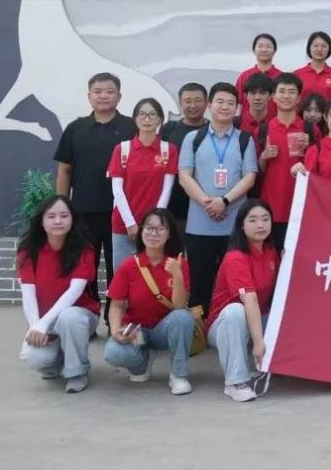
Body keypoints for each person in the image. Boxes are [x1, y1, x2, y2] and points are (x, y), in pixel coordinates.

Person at [54, 72, 137, 325]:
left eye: (109, 92)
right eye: (98, 91)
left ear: (119, 96)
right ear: (89, 96)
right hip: (83, 212)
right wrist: (62, 207)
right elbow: (64, 170)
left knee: (119, 270)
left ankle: (115, 320)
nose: (103, 96)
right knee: (84, 268)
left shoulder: (131, 127)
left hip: (120, 214)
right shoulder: (75, 128)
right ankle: (85, 317)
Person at [177, 83, 260, 318]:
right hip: (199, 225)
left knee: (234, 284)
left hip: (234, 227)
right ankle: (199, 330)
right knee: (199, 283)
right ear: (209, 105)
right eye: (220, 102)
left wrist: (224, 201)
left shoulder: (244, 139)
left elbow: (250, 177)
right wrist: (207, 202)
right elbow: (184, 176)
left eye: (231, 103)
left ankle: (230, 327)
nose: (225, 107)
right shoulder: (193, 138)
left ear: (237, 108)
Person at [102, 208, 196, 395]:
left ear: (169, 234)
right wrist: (116, 331)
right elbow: (116, 305)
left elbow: (179, 305)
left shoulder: (178, 263)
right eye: (149, 228)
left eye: (160, 229)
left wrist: (177, 274)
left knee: (183, 317)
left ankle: (178, 375)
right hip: (136, 331)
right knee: (112, 352)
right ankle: (141, 364)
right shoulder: (129, 265)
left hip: (164, 330)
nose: (154, 233)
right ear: (141, 231)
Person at [16, 195, 100, 394]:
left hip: (80, 316)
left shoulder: (84, 249)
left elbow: (74, 292)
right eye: (51, 216)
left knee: (69, 317)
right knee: (34, 357)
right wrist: (36, 326)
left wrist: (44, 324)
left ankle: (76, 372)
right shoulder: (28, 250)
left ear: (72, 219)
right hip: (45, 319)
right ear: (41, 221)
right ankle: (57, 362)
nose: (58, 221)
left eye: (64, 215)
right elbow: (28, 294)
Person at [207, 199, 281, 403]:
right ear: (242, 225)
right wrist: (258, 342)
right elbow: (250, 299)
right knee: (235, 311)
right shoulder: (236, 257)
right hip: (225, 325)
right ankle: (235, 381)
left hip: (256, 318)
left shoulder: (271, 252)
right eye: (253, 220)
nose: (260, 225)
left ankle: (264, 364)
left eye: (265, 219)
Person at [107, 97, 178, 274]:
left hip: (155, 228)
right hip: (124, 226)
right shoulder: (122, 149)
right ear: (135, 119)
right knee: (122, 276)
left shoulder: (168, 150)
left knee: (154, 277)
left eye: (152, 114)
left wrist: (154, 223)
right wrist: (130, 223)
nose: (147, 119)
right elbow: (117, 190)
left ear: (160, 119)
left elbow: (167, 189)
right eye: (142, 114)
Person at [256, 73, 309, 251]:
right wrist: (264, 156)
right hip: (270, 207)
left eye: (292, 92)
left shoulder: (309, 129)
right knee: (271, 256)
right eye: (282, 91)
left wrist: (309, 149)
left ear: (299, 98)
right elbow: (256, 172)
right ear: (273, 96)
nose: (286, 96)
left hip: (300, 207)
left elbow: (316, 169)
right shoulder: (263, 130)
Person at [161, 82, 209, 221]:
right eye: (187, 101)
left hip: (207, 201)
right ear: (180, 103)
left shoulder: (214, 130)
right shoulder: (168, 129)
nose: (192, 106)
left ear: (207, 103)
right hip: (174, 202)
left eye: (197, 100)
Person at [234, 33, 282, 117]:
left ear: (274, 51)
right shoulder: (244, 76)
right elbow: (238, 104)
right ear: (254, 50)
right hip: (246, 123)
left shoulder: (281, 77)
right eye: (260, 46)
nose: (264, 50)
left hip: (273, 122)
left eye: (268, 47)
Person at [293, 31, 331, 102]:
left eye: (324, 46)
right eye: (315, 45)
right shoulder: (297, 74)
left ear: (329, 49)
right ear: (309, 48)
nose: (319, 49)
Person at [237, 73, 274, 137]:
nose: (257, 98)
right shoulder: (235, 124)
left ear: (270, 96)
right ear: (246, 96)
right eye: (253, 93)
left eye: (262, 93)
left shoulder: (276, 124)